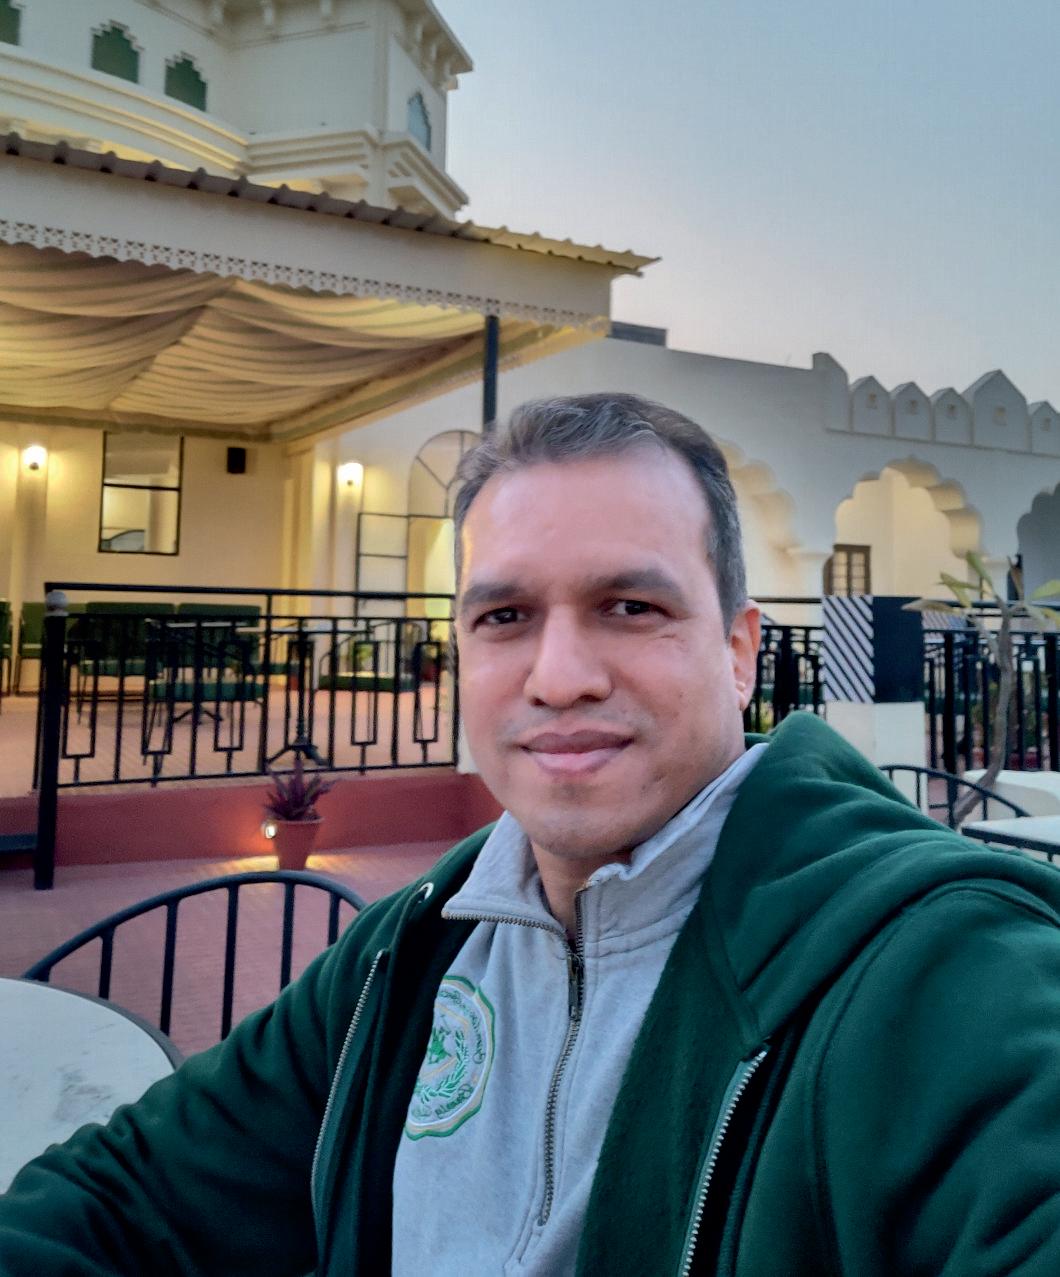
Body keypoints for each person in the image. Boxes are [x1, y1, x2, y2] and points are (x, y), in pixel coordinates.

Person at [3, 393, 1060, 1276]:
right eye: (504, 617)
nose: (558, 677)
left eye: (630, 606)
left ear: (740, 651)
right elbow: (121, 1198)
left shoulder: (945, 970)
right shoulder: (409, 954)